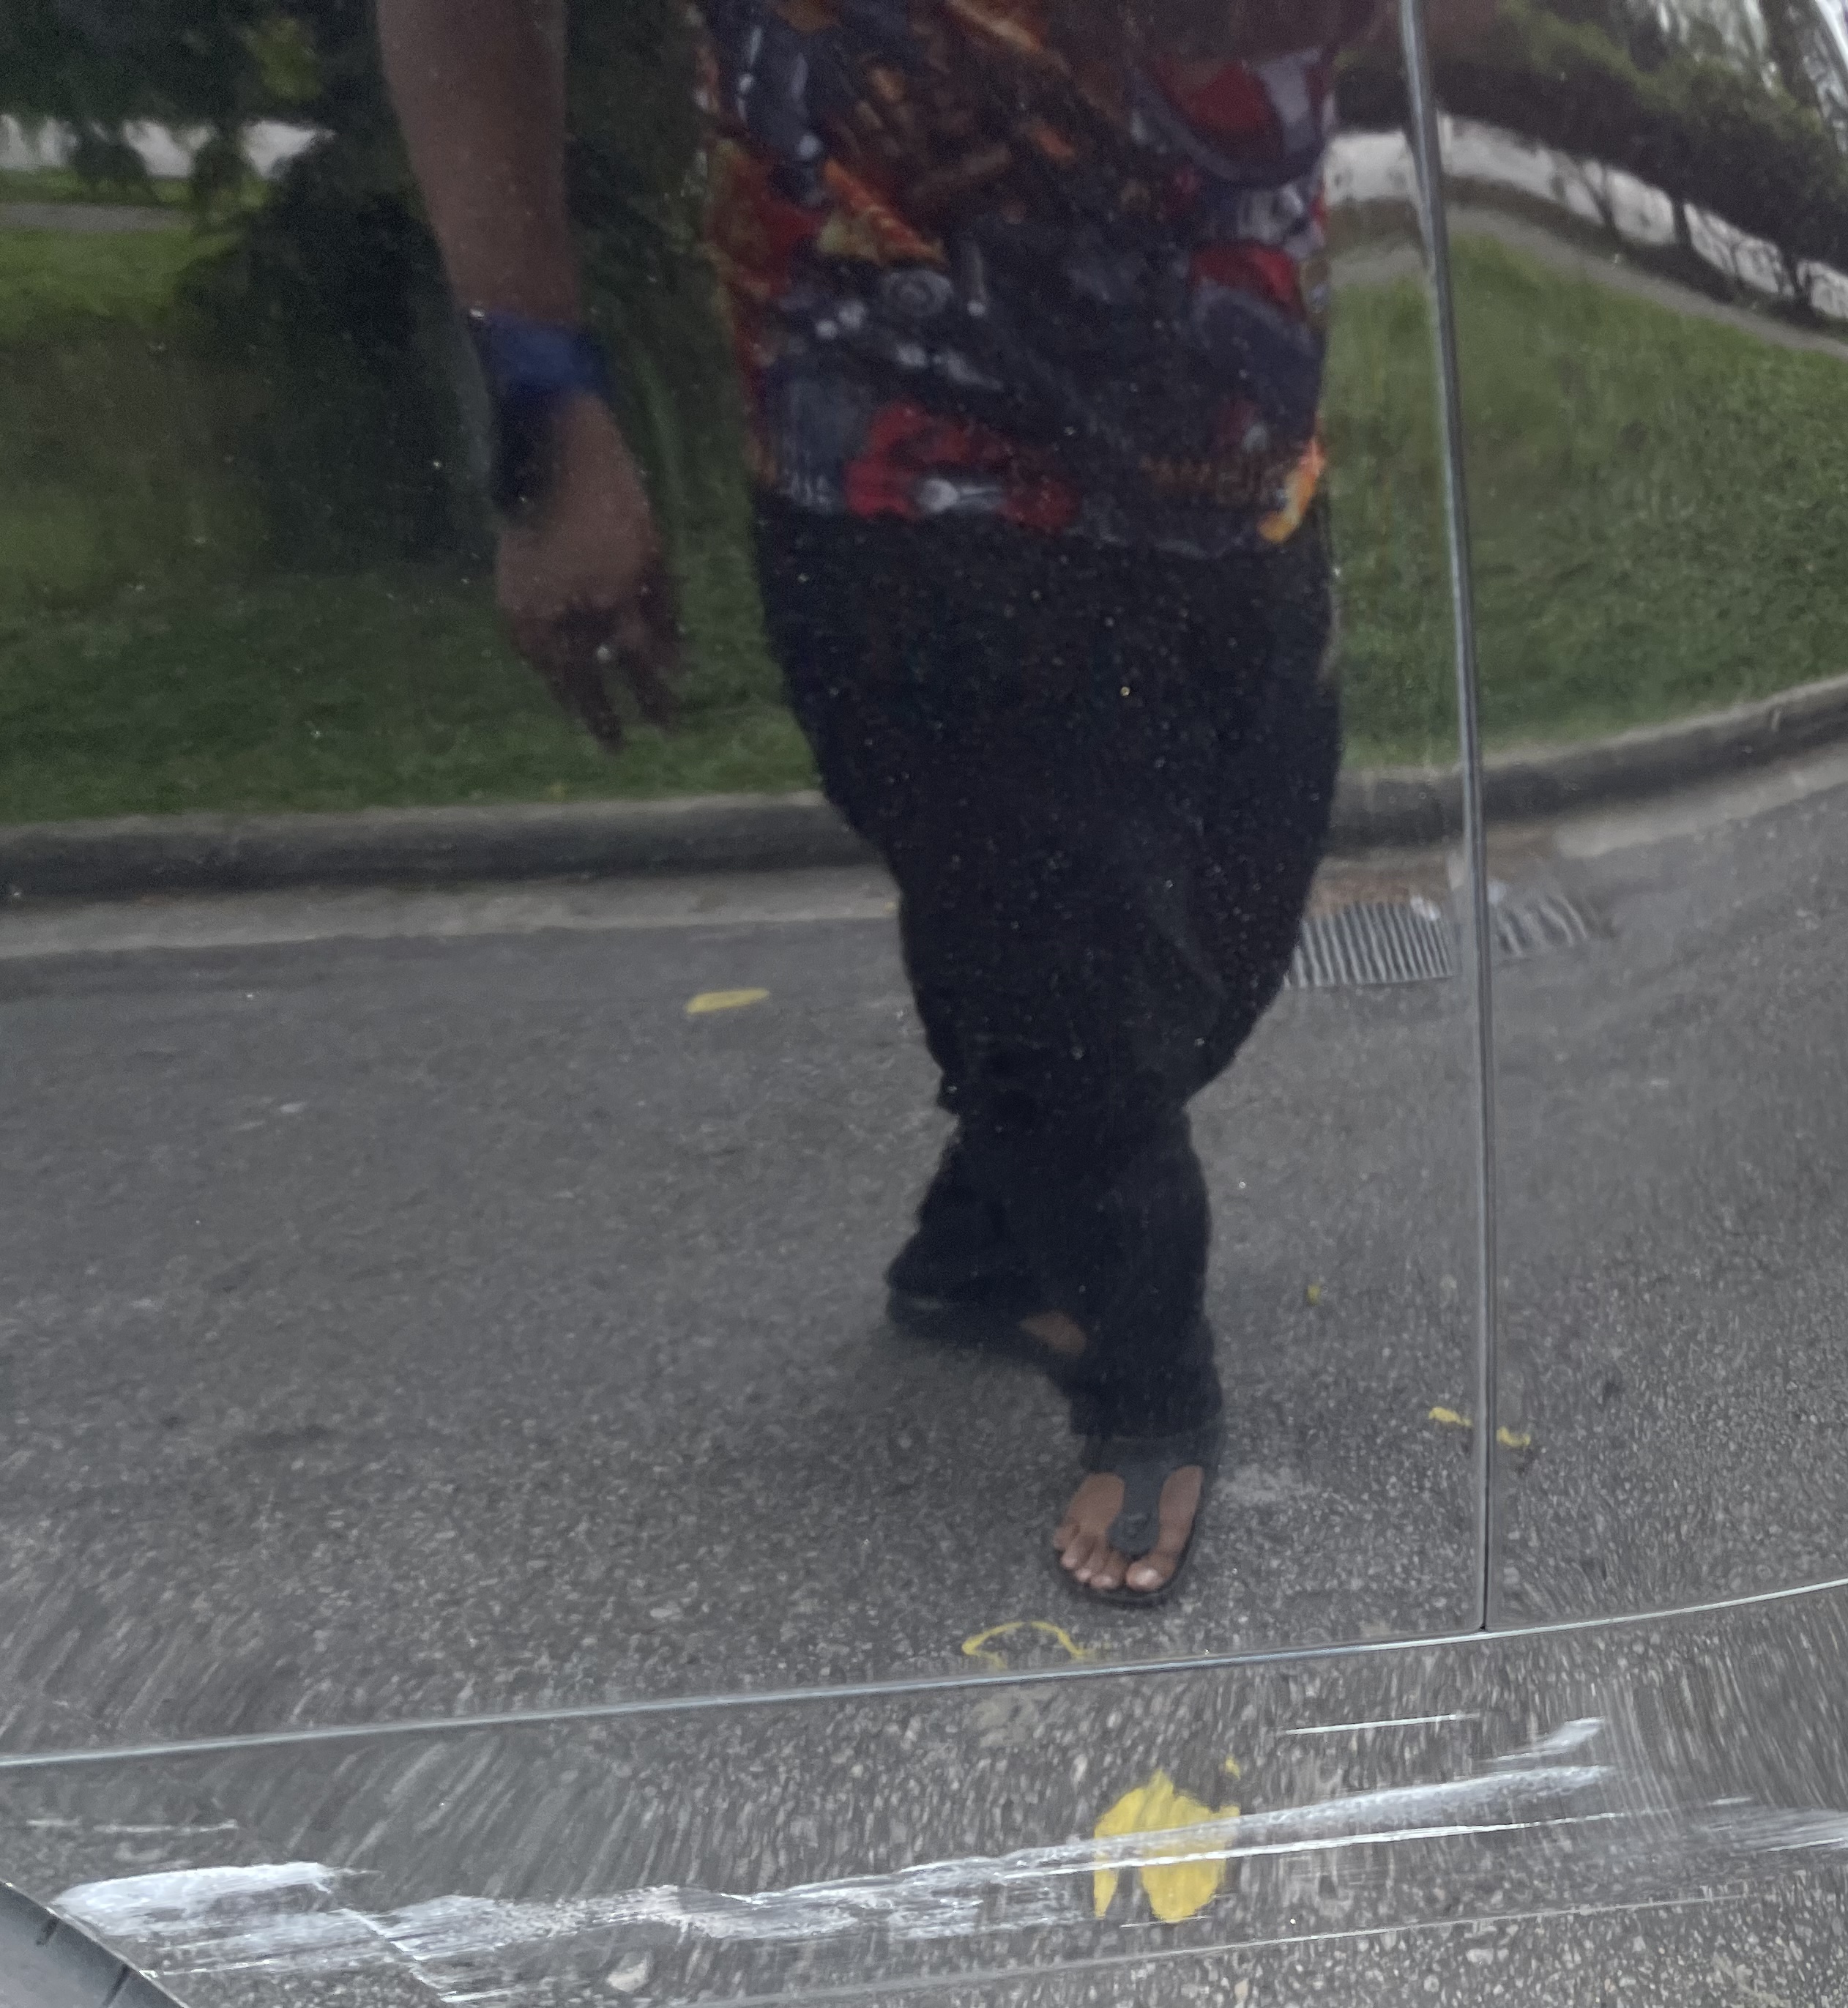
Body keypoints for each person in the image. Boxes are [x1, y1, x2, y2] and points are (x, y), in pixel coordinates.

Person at [378, 0, 1374, 1603]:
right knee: (1066, 973)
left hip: (1239, 451)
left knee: (1224, 944)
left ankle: (984, 1245)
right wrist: (542, 405)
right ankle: (1141, 1376)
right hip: (904, 462)